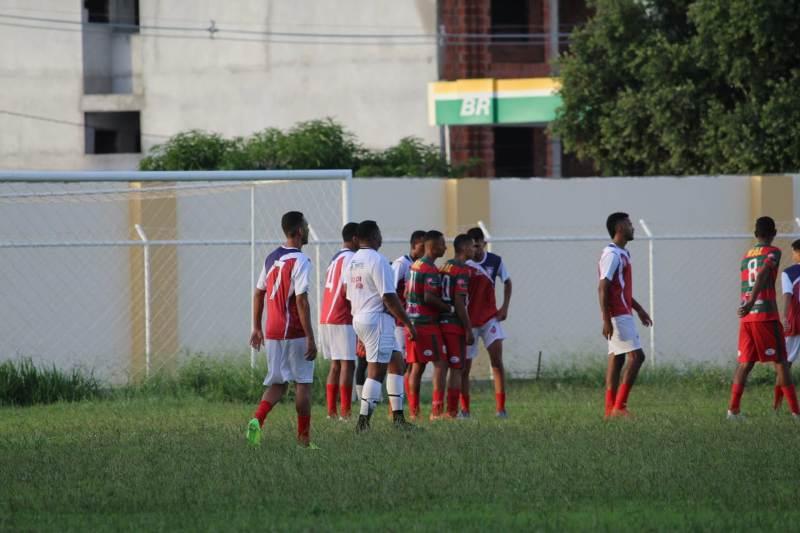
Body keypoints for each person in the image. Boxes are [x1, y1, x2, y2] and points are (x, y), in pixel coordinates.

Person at [246, 211, 317, 447]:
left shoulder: (271, 258)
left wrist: (256, 327)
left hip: (273, 330)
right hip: (294, 330)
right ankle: (304, 439)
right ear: (298, 231)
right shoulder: (301, 260)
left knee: (278, 383)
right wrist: (310, 337)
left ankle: (257, 420)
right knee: (303, 383)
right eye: (305, 226)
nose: (307, 229)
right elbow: (301, 300)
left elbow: (258, 292)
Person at [346, 220, 416, 431]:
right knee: (376, 371)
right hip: (377, 320)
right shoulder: (378, 260)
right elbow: (389, 296)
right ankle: (363, 423)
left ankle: (398, 418)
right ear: (376, 236)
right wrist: (408, 323)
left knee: (397, 364)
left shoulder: (352, 261)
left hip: (360, 317)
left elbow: (349, 295)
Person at [729, 217, 799, 419]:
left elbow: (748, 280)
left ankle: (732, 410)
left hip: (747, 317)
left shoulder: (746, 256)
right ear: (774, 233)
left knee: (745, 363)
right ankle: (796, 412)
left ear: (755, 234)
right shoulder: (773, 252)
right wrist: (752, 302)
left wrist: (747, 305)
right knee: (781, 362)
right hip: (765, 315)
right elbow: (761, 276)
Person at [598, 212, 652, 418]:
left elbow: (619, 289)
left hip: (622, 312)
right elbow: (603, 287)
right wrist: (606, 320)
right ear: (620, 228)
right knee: (637, 357)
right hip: (618, 315)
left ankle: (609, 409)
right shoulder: (612, 255)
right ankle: (619, 407)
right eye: (629, 224)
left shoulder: (622, 254)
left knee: (617, 359)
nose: (633, 227)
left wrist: (639, 309)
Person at [463, 229, 510, 418]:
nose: (475, 249)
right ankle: (464, 409)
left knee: (497, 362)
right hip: (469, 321)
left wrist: (504, 307)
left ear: (483, 242)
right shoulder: (464, 264)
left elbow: (508, 281)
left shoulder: (495, 261)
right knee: (464, 368)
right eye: (471, 246)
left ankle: (501, 408)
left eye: (478, 244)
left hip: (490, 318)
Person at [406, 230, 450, 420]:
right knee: (441, 364)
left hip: (413, 321)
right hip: (426, 324)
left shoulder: (415, 265)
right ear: (432, 247)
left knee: (417, 367)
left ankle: (414, 412)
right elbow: (429, 297)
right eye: (442, 244)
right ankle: (437, 411)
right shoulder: (430, 269)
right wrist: (447, 308)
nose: (445, 247)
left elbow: (408, 293)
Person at [320, 222, 359, 420]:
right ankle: (345, 412)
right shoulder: (352, 258)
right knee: (347, 364)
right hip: (342, 316)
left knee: (336, 364)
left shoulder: (335, 258)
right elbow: (346, 289)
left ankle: (331, 412)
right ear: (354, 239)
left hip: (326, 315)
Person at [440, 234, 476, 418]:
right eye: (472, 246)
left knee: (444, 367)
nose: (474, 249)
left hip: (441, 322)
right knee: (456, 368)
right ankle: (452, 412)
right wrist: (468, 329)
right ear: (463, 248)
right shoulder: (461, 270)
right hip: (454, 324)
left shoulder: (445, 266)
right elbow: (459, 303)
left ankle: (439, 409)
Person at [392, 230, 426, 402]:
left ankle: (409, 404)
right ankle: (395, 405)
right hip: (399, 322)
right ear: (414, 245)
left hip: (414, 321)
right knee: (400, 364)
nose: (425, 249)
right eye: (422, 245)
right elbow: (389, 291)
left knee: (413, 363)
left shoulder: (422, 266)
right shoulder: (401, 264)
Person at [777, 239, 800, 410]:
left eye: (793, 252)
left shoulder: (789, 273)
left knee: (785, 365)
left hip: (796, 321)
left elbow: (787, 295)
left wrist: (784, 317)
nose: (793, 255)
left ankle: (776, 406)